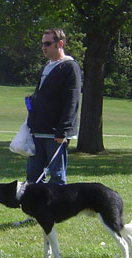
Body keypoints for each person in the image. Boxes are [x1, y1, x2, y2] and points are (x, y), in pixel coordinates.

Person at [14, 28, 81, 226]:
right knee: (33, 176)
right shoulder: (46, 67)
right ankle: (35, 215)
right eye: (42, 44)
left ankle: (57, 214)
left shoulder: (69, 67)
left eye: (47, 44)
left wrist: (64, 130)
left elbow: (72, 100)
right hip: (37, 130)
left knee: (56, 177)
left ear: (60, 44)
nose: (43, 48)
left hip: (55, 133)